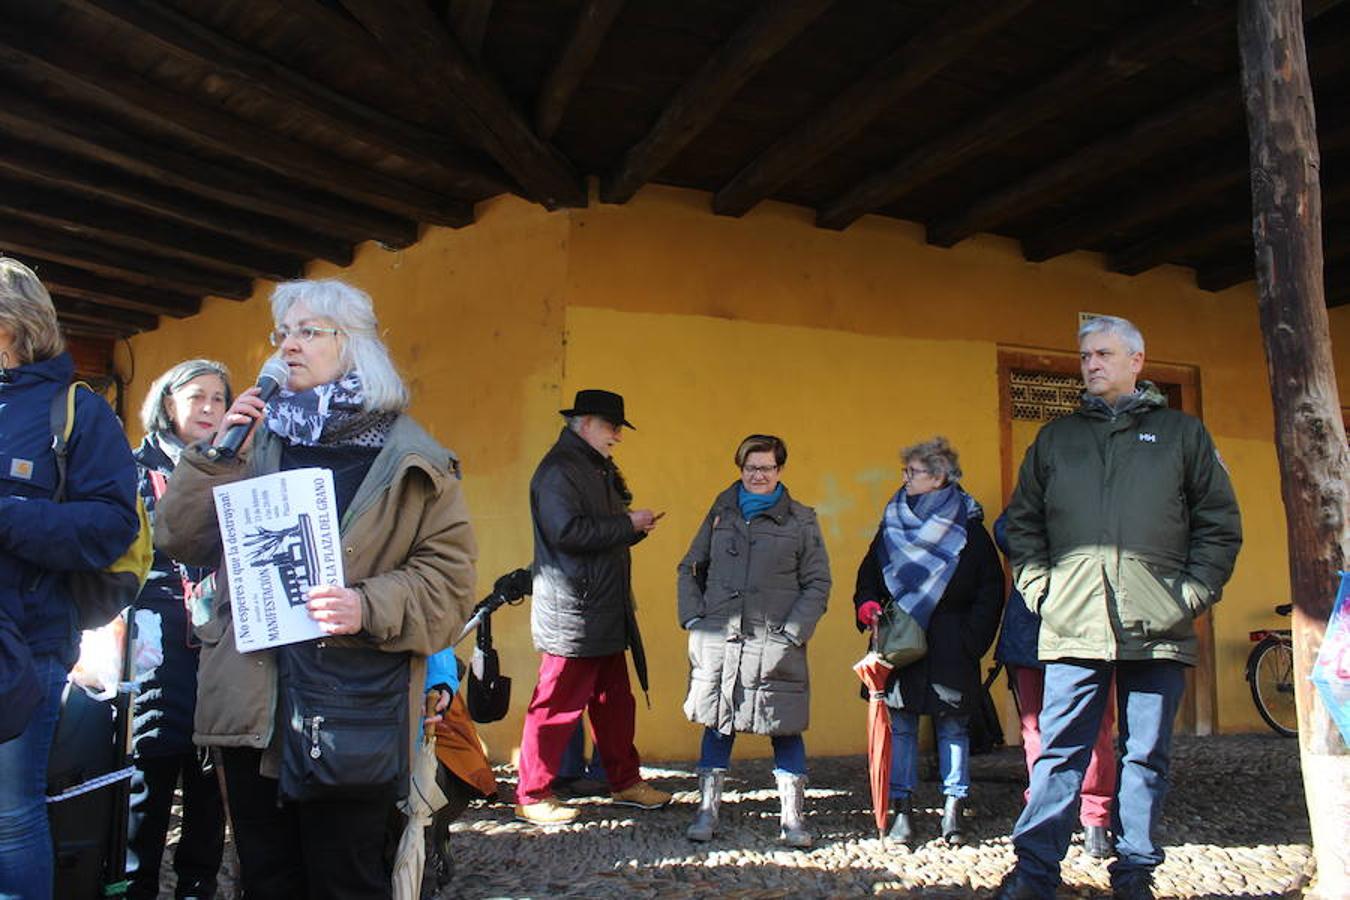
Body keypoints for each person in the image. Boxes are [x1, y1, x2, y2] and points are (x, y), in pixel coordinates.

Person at [154, 278, 477, 900]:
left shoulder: (414, 457)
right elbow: (180, 541)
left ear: (353, 346)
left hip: (355, 702)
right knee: (266, 878)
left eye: (309, 332)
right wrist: (216, 459)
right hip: (254, 700)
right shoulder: (251, 439)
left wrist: (366, 605)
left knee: (345, 880)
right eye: (283, 334)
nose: (289, 347)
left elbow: (450, 582)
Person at [995, 315, 1242, 900]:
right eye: (1084, 356)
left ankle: (1134, 874)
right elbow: (1022, 523)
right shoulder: (1056, 439)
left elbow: (1219, 525)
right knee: (1058, 754)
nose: (1092, 364)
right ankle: (1034, 874)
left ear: (1137, 360)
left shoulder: (1183, 435)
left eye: (1104, 353)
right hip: (1072, 623)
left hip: (1158, 626)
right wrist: (1040, 591)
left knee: (1146, 756)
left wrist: (1191, 595)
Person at [0, 257, 140, 899]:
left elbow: (113, 526)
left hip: (24, 646)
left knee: (9, 814)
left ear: (13, 323)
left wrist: (8, 517)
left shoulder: (76, 411)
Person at [514, 389, 671, 826]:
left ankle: (624, 781)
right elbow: (567, 532)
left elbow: (591, 534)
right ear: (584, 424)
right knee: (555, 703)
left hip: (598, 608)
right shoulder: (560, 471)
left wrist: (632, 530)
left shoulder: (588, 467)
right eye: (611, 427)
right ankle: (531, 793)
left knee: (615, 702)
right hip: (575, 612)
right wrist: (627, 523)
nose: (618, 436)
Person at [677, 434, 831, 847]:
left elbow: (818, 583)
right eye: (750, 468)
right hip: (720, 639)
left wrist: (794, 634)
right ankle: (706, 811)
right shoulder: (721, 513)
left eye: (765, 468)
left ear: (780, 470)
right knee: (718, 723)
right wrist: (694, 619)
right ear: (741, 469)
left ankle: (793, 819)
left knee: (785, 726)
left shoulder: (802, 520)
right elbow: (690, 567)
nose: (757, 475)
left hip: (774, 643)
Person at [854, 437, 1003, 847]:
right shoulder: (893, 523)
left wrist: (972, 640)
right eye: (905, 472)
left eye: (913, 472)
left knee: (953, 728)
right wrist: (867, 606)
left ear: (938, 478)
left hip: (952, 644)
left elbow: (991, 589)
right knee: (899, 726)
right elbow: (868, 573)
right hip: (902, 643)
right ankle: (902, 808)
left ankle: (953, 808)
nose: (904, 479)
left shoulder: (969, 528)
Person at [125, 360, 232, 900]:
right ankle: (135, 883)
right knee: (151, 768)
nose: (210, 408)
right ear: (169, 404)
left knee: (210, 776)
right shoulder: (133, 469)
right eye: (197, 397)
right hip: (154, 640)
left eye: (219, 398)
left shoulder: (238, 467)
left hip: (218, 642)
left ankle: (198, 885)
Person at [992, 511, 1115, 860]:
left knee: (1095, 728)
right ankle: (1046, 811)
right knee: (1036, 729)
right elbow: (1005, 534)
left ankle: (1094, 817)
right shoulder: (1028, 503)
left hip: (1087, 630)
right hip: (1032, 630)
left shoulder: (1096, 495)